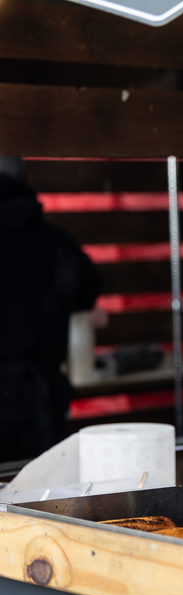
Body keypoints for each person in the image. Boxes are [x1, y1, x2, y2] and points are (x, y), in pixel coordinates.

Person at [0, 157, 101, 463]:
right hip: (41, 399)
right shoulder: (58, 241)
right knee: (42, 486)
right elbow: (86, 294)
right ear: (28, 181)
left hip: (34, 392)